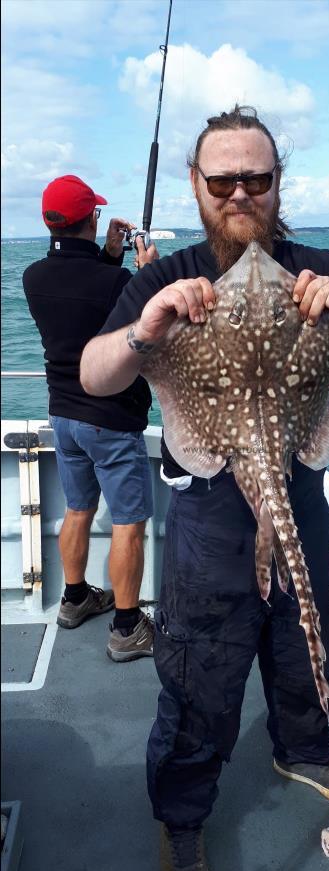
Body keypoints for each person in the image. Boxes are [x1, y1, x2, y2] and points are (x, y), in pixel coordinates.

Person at [81, 107, 329, 871]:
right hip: (207, 516)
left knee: (308, 637)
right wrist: (145, 331)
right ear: (197, 185)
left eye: (256, 178)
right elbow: (96, 375)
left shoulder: (321, 267)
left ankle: (301, 746)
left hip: (298, 490)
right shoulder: (163, 276)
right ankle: (184, 815)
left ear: (277, 182)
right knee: (201, 671)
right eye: (223, 178)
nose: (240, 191)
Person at [23, 174, 159, 663]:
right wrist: (147, 273)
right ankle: (126, 628)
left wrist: (110, 254)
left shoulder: (33, 277)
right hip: (111, 419)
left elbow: (85, 295)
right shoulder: (118, 282)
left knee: (78, 510)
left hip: (63, 416)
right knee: (129, 523)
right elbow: (133, 317)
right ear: (92, 218)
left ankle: (75, 598)